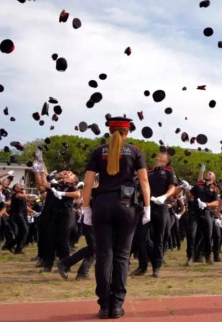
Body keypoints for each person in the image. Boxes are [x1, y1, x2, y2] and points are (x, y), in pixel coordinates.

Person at [81, 117, 151, 319]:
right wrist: (147, 207)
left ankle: (104, 305)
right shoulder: (135, 151)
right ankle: (117, 305)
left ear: (110, 131)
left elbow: (87, 183)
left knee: (104, 255)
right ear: (127, 132)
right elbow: (144, 180)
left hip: (102, 204)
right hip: (126, 205)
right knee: (122, 255)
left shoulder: (97, 151)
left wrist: (85, 208)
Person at [132, 152, 176, 277]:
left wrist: (164, 197)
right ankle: (143, 266)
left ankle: (156, 267)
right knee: (141, 236)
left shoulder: (169, 171)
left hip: (161, 207)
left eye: (161, 156)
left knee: (159, 238)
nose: (158, 157)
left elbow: (172, 187)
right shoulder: (149, 172)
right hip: (147, 206)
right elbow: (142, 188)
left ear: (166, 160)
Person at [186, 165, 220, 266]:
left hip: (206, 213)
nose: (207, 174)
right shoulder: (198, 186)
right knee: (191, 235)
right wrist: (188, 189)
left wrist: (207, 204)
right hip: (194, 213)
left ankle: (208, 256)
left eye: (210, 173)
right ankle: (190, 257)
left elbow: (217, 203)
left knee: (208, 236)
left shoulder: (214, 189)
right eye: (207, 173)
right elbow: (189, 196)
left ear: (213, 178)